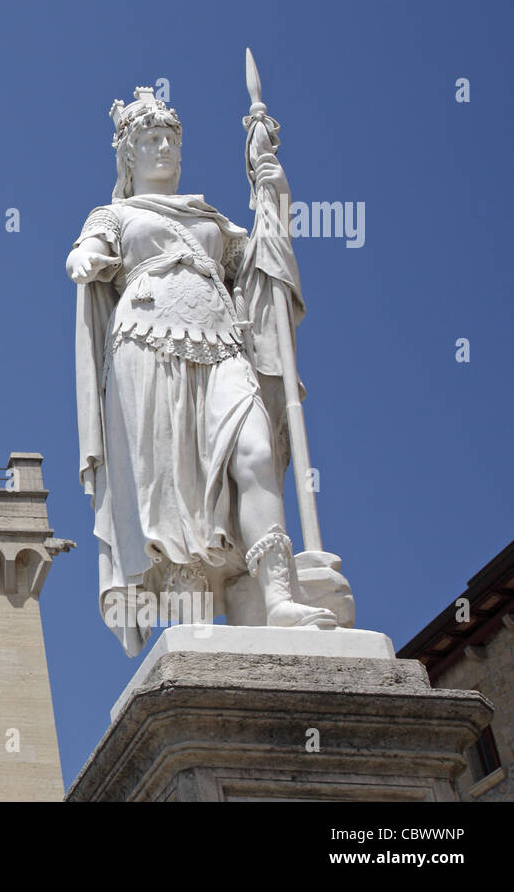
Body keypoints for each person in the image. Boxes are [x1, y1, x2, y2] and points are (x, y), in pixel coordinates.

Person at [67, 87, 335, 657]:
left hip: (222, 342)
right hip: (147, 346)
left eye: (171, 137)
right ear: (128, 155)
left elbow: (262, 259)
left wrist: (270, 186)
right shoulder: (115, 215)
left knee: (256, 452)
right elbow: (85, 251)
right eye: (150, 139)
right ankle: (194, 617)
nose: (163, 147)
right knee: (175, 486)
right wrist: (87, 260)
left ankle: (278, 595)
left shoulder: (210, 216)